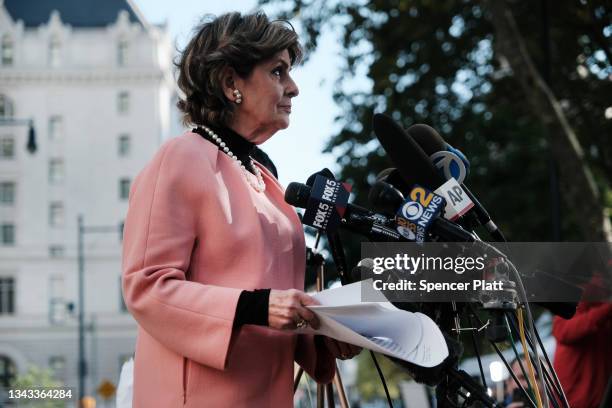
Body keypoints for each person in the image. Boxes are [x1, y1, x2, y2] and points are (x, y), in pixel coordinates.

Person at [121, 11, 361, 407]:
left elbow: (277, 308)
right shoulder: (181, 158)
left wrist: (323, 335)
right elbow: (146, 287)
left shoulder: (266, 176)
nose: (294, 87)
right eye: (278, 72)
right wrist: (257, 306)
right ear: (231, 81)